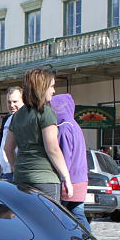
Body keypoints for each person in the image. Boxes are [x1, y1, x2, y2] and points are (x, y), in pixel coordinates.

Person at [5, 68, 73, 202]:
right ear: (42, 88)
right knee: (48, 221)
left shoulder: (17, 116)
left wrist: (16, 168)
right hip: (45, 179)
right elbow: (52, 148)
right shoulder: (46, 112)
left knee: (26, 220)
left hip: (21, 178)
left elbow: (8, 149)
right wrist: (66, 177)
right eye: (52, 86)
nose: (54, 91)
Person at [51, 93, 91, 231]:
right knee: (77, 214)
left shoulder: (64, 127)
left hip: (69, 181)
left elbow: (64, 156)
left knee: (62, 217)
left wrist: (63, 178)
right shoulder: (74, 125)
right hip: (80, 179)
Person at [0, 86, 24, 180]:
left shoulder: (26, 119)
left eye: (15, 102)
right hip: (4, 171)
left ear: (23, 101)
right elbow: (1, 141)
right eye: (9, 102)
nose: (11, 105)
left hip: (18, 172)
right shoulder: (7, 118)